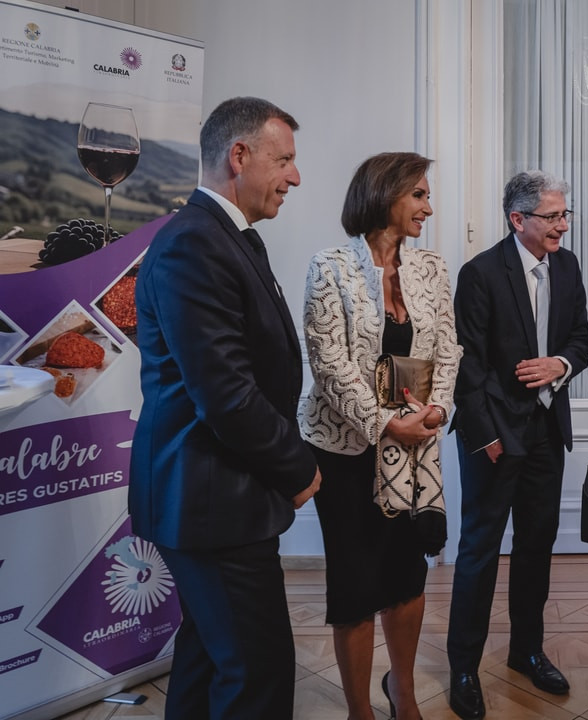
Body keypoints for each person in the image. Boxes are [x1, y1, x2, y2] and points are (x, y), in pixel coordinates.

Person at [129, 96, 321, 720]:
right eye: (284, 160)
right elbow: (228, 396)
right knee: (257, 676)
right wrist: (298, 468)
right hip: (212, 499)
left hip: (219, 497)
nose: (295, 176)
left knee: (209, 658)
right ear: (239, 157)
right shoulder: (195, 244)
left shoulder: (229, 238)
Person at [298, 152, 461, 720]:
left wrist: (435, 410)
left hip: (414, 447)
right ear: (385, 194)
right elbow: (329, 361)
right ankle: (358, 710)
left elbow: (447, 350)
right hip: (344, 450)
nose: (428, 206)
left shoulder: (432, 267)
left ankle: (405, 692)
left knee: (407, 574)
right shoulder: (330, 265)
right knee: (355, 581)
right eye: (418, 194)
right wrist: (386, 421)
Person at [446, 171, 588, 719]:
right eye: (552, 217)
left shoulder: (569, 266)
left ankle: (526, 651)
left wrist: (561, 364)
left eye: (564, 215)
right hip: (493, 436)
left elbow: (583, 338)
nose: (562, 226)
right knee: (480, 552)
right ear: (518, 220)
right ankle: (463, 665)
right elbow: (467, 366)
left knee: (536, 546)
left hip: (546, 432)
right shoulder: (480, 273)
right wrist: (485, 435)